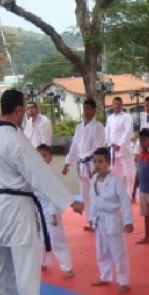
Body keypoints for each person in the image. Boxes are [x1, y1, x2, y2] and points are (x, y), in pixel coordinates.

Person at [0, 89, 84, 295]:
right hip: (17, 207)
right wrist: (69, 201)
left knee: (1, 263)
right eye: (24, 108)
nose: (24, 114)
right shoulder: (15, 140)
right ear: (18, 109)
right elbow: (40, 173)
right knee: (26, 267)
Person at [89, 147, 134, 292]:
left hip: (113, 217)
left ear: (108, 162)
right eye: (95, 161)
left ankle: (123, 281)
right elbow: (93, 200)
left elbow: (125, 201)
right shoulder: (94, 179)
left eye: (100, 161)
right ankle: (105, 276)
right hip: (100, 218)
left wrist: (128, 221)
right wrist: (91, 216)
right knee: (101, 250)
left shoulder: (116, 180)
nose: (97, 164)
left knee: (118, 251)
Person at [63, 98, 105, 230]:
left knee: (96, 193)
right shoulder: (79, 127)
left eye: (88, 108)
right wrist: (67, 163)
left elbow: (99, 146)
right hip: (81, 164)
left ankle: (99, 221)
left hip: (92, 163)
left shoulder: (98, 127)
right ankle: (90, 221)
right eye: (84, 108)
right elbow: (74, 146)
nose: (85, 111)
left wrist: (97, 165)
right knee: (85, 194)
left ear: (94, 110)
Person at [35, 144, 74, 278]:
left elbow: (55, 195)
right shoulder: (35, 172)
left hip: (52, 210)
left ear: (50, 158)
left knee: (57, 239)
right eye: (38, 156)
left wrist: (53, 213)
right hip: (40, 209)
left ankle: (67, 266)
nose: (41, 158)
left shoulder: (51, 174)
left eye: (44, 155)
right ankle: (43, 261)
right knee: (42, 238)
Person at [104, 96, 137, 193]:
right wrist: (109, 144)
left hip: (124, 148)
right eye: (115, 103)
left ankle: (131, 193)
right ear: (112, 105)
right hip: (113, 149)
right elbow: (107, 132)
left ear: (122, 105)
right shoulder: (110, 118)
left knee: (129, 173)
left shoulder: (127, 117)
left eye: (119, 104)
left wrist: (120, 144)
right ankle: (117, 193)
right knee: (114, 173)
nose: (117, 105)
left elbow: (129, 132)